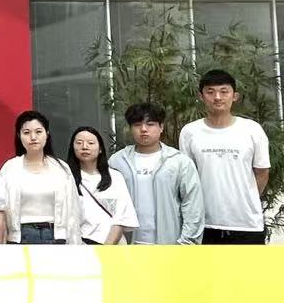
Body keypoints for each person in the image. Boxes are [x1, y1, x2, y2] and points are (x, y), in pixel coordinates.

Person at [179, 70, 271, 244]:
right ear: (201, 96)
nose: (217, 97)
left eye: (224, 91)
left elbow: (262, 172)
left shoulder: (252, 130)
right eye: (210, 92)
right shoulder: (190, 132)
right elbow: (187, 177)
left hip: (247, 224)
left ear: (235, 96)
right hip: (203, 224)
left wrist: (245, 198)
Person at [109, 103, 203, 245]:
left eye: (150, 124)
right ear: (130, 128)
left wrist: (187, 243)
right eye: (137, 125)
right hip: (126, 244)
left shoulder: (179, 161)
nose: (143, 129)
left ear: (161, 127)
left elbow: (192, 205)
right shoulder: (117, 161)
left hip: (170, 243)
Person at [0, 110, 80, 246]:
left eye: (38, 132)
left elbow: (73, 210)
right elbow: (0, 209)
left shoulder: (61, 168)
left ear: (47, 134)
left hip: (55, 236)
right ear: (19, 136)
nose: (33, 137)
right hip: (20, 237)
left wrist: (75, 243)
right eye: (26, 133)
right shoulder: (10, 168)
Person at [68, 126, 137, 246]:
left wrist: (106, 249)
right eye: (79, 143)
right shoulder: (66, 177)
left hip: (113, 246)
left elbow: (121, 217)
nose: (84, 147)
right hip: (79, 247)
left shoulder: (115, 177)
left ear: (100, 149)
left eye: (91, 143)